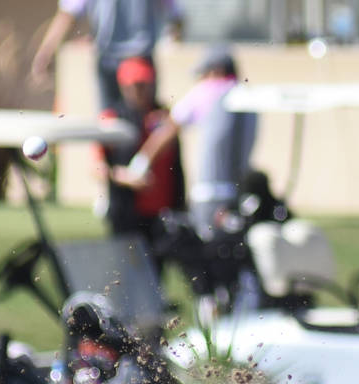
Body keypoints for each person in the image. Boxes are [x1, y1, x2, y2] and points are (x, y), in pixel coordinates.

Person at [118, 45, 256, 237]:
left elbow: (170, 129)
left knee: (208, 248)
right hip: (239, 190)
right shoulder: (247, 95)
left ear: (216, 71)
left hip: (209, 192)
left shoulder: (209, 89)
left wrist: (139, 165)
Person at [31, 0, 184, 111]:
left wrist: (46, 53)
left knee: (132, 124)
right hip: (123, 58)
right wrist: (47, 52)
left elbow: (69, 13)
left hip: (133, 60)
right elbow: (176, 16)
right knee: (115, 123)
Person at [97, 56, 184, 245]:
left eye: (144, 84)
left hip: (163, 212)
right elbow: (98, 168)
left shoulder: (164, 116)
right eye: (135, 85)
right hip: (126, 212)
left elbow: (172, 137)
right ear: (123, 86)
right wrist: (126, 177)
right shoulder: (111, 118)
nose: (140, 90)